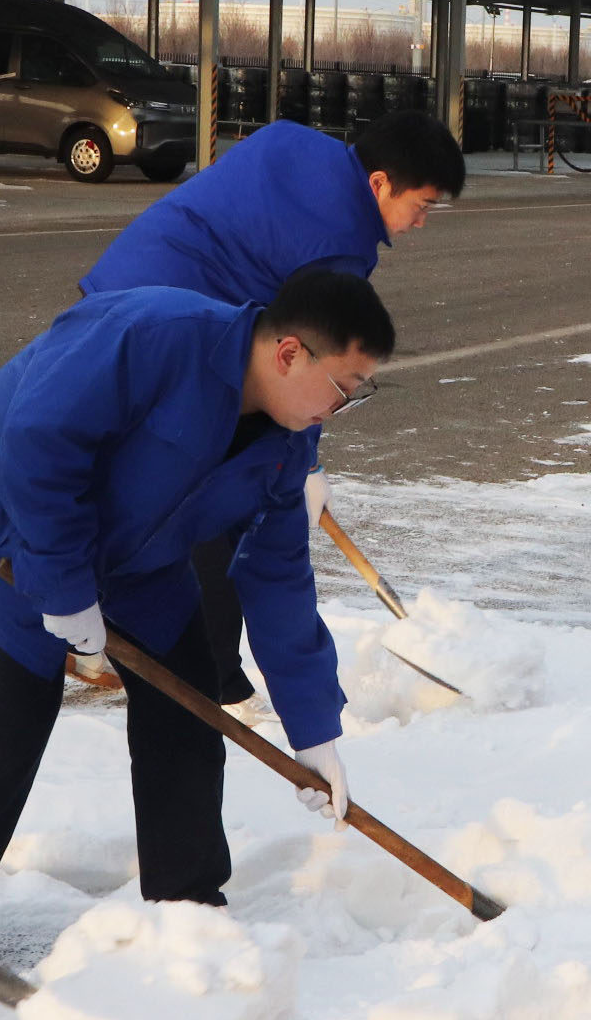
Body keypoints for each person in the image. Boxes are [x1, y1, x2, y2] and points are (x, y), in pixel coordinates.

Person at [0, 269, 390, 935]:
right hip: (8, 532)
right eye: (343, 387)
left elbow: (278, 574)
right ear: (290, 352)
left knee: (187, 704)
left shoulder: (285, 444)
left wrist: (314, 726)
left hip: (138, 561)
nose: (341, 407)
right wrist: (64, 588)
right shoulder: (155, 337)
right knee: (8, 721)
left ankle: (187, 903)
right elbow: (38, 445)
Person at [79, 114, 465, 706]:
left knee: (133, 478)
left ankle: (92, 628)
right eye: (423, 205)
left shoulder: (295, 137)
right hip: (179, 337)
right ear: (381, 183)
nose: (421, 222)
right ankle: (203, 672)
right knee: (230, 495)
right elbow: (308, 370)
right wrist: (303, 466)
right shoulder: (340, 247)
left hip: (118, 296)